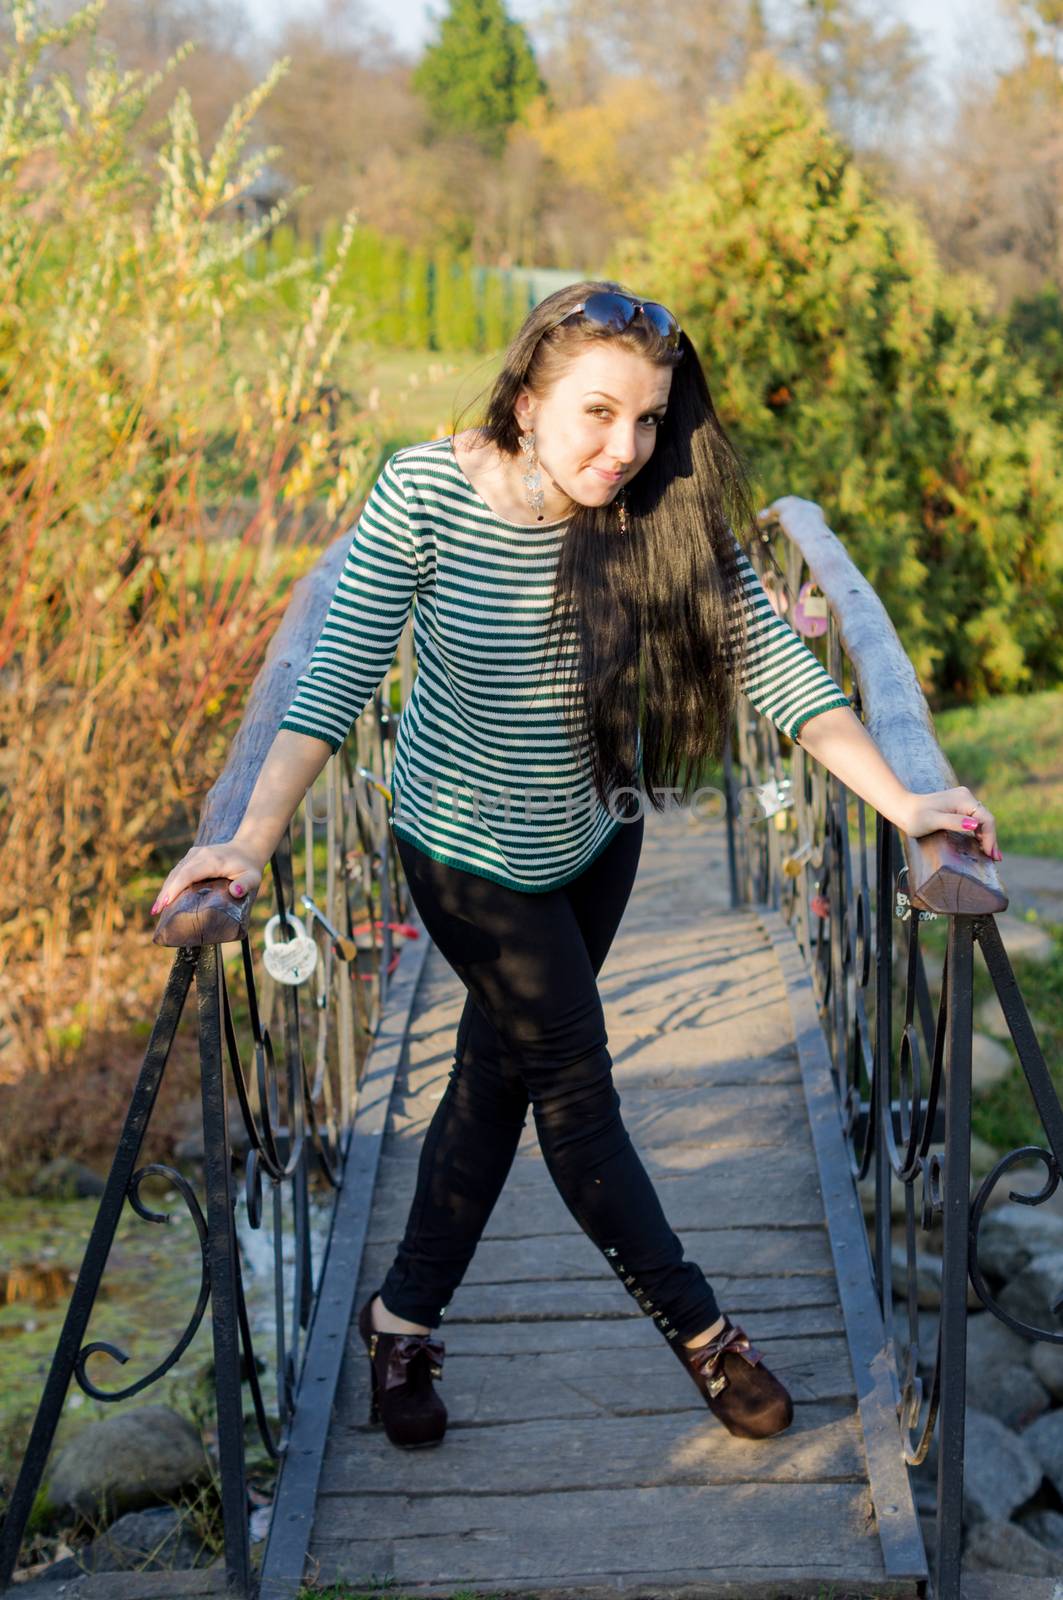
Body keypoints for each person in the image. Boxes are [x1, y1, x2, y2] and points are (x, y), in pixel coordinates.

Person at [152, 281, 1002, 1451]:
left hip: (599, 834)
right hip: (462, 853)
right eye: (598, 413)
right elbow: (334, 679)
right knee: (575, 1090)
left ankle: (399, 1319)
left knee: (495, 1081)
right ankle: (705, 1335)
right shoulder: (426, 495)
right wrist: (245, 840)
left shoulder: (655, 504)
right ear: (523, 397)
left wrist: (911, 800)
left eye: (649, 419)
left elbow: (782, 673)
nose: (626, 447)